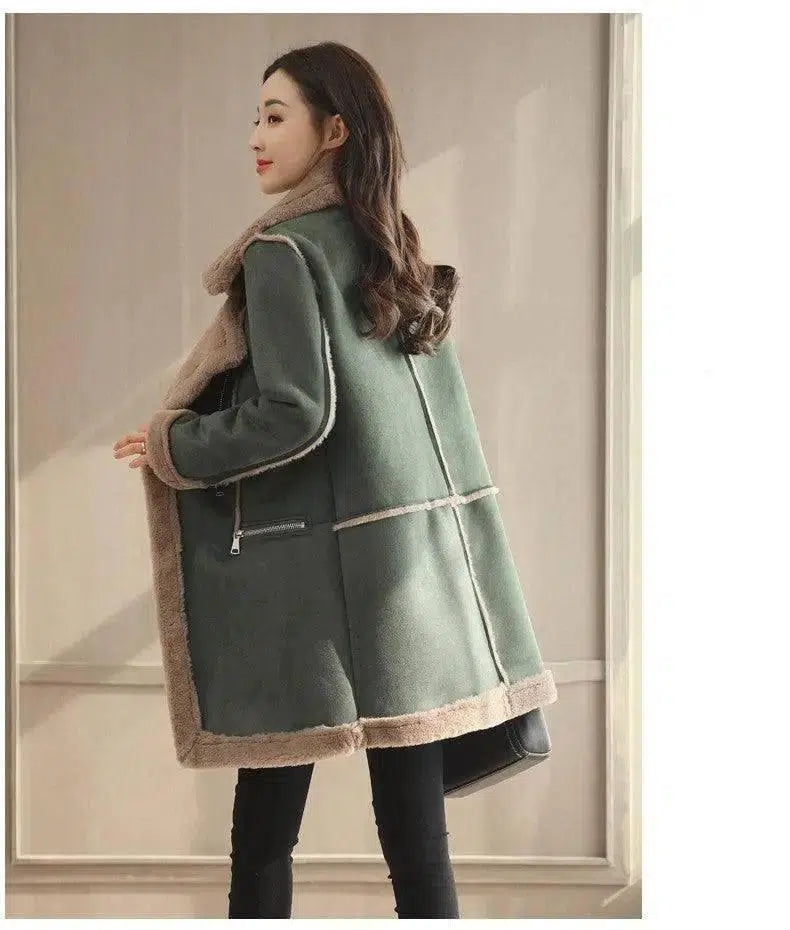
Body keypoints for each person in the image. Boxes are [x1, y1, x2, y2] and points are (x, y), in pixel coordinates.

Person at [113, 40, 556, 920]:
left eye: (276, 116)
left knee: (265, 827)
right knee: (416, 839)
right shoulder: (387, 242)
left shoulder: (283, 250)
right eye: (254, 117)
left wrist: (176, 444)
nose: (255, 136)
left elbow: (294, 412)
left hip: (310, 585)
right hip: (410, 574)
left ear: (335, 131)